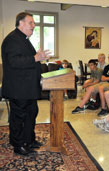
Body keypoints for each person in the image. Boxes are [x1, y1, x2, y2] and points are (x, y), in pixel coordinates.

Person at [1, 12, 51, 155]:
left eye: (33, 23)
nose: (34, 26)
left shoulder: (23, 39)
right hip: (19, 89)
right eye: (31, 23)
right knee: (19, 118)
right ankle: (18, 145)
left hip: (27, 88)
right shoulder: (12, 39)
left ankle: (29, 140)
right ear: (21, 23)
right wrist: (36, 57)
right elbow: (14, 62)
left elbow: (27, 59)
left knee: (31, 113)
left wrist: (38, 58)